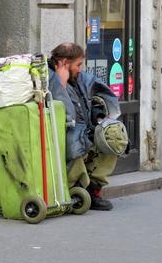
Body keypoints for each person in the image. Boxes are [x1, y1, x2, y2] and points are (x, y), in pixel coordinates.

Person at [48, 42, 123, 210]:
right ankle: (77, 189)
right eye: (78, 65)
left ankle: (94, 190)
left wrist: (101, 115)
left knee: (113, 138)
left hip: (86, 129)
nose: (81, 69)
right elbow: (65, 112)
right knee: (74, 140)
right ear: (64, 63)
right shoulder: (48, 78)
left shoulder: (80, 77)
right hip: (64, 133)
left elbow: (102, 93)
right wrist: (61, 83)